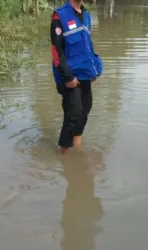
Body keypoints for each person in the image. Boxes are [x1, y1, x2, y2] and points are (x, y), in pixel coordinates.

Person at [50, 0, 103, 154]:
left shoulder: (86, 16)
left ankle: (77, 150)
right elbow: (56, 51)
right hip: (69, 76)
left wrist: (96, 68)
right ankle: (65, 156)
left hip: (85, 73)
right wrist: (68, 77)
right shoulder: (59, 16)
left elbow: (88, 46)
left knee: (85, 109)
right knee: (73, 114)